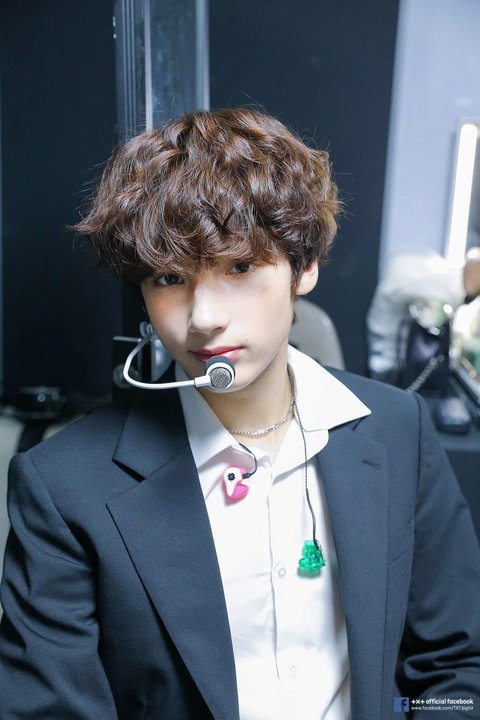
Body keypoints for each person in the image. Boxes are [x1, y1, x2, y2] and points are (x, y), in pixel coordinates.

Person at [0, 108, 479, 720]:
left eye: (240, 266)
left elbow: (456, 667)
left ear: (304, 266)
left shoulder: (397, 428)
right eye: (168, 278)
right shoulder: (64, 487)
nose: (203, 317)